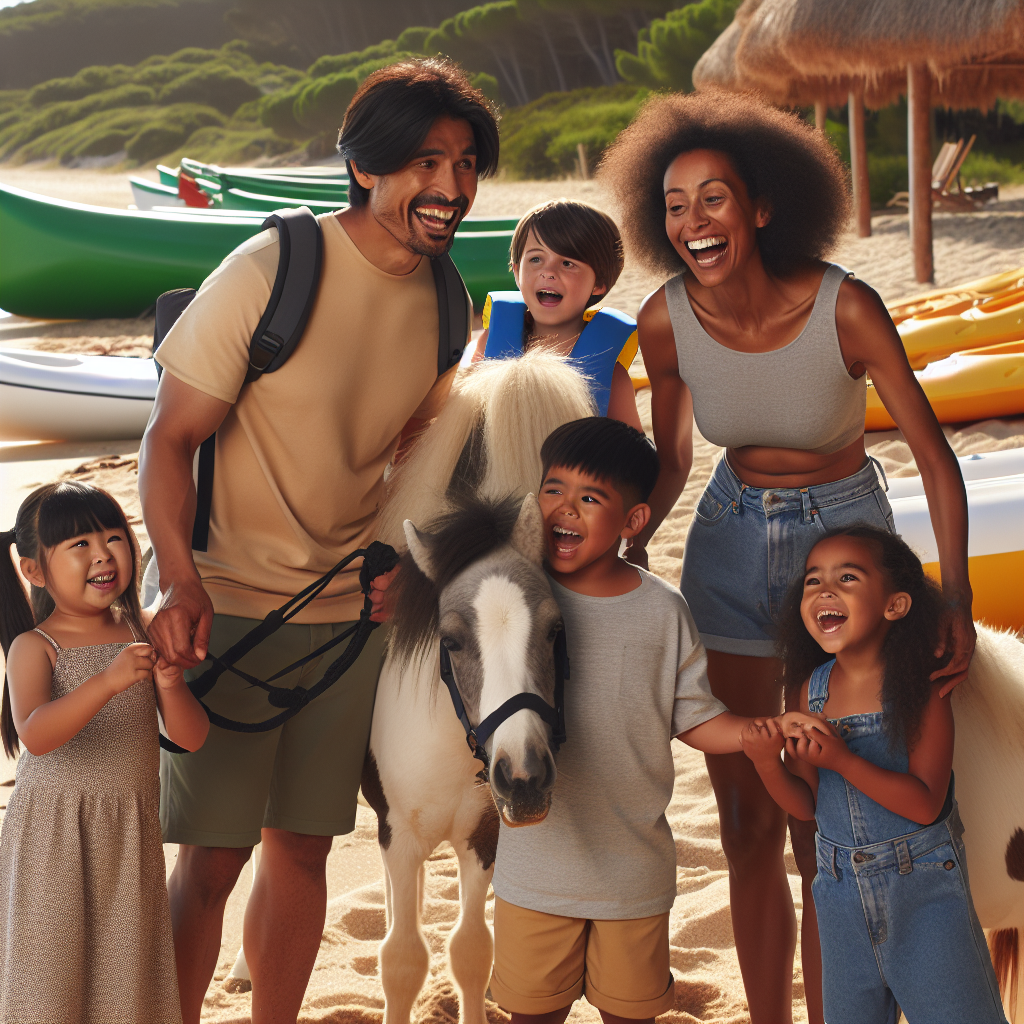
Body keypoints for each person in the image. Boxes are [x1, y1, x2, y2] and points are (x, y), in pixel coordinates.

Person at [599, 90, 975, 1024]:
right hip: (726, 537)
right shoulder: (663, 321)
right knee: (744, 820)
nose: (693, 222)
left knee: (829, 825)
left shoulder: (846, 309)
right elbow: (678, 456)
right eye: (676, 205)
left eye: (714, 198)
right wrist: (627, 535)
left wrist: (954, 598)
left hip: (843, 539)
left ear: (762, 207)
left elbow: (932, 456)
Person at [138, 59, 499, 1023]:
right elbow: (167, 439)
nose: (452, 187)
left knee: (303, 845)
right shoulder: (274, 267)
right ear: (364, 166)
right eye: (427, 161)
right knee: (212, 856)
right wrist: (178, 581)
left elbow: (411, 461)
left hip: (345, 617)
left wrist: (398, 562)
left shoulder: (447, 303)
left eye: (466, 164)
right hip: (222, 603)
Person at [489, 417, 757, 1024]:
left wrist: (752, 733)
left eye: (590, 498)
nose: (565, 509)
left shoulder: (663, 611)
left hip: (633, 873)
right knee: (531, 1014)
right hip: (535, 867)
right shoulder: (517, 595)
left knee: (630, 1016)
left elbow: (694, 718)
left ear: (634, 521)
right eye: (553, 489)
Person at [740, 527, 1007, 1024]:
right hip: (840, 898)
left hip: (925, 896)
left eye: (847, 577)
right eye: (812, 580)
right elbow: (805, 806)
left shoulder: (920, 689)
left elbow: (926, 803)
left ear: (896, 605)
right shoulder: (809, 690)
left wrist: (843, 760)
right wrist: (763, 763)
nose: (824, 590)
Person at [0, 481, 208, 1023]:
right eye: (79, 545)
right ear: (34, 571)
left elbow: (191, 737)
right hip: (54, 841)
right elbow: (37, 734)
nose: (103, 555)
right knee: (50, 983)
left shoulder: (141, 628)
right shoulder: (35, 646)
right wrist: (109, 682)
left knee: (126, 981)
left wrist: (170, 683)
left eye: (113, 537)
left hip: (127, 839)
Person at [471, 199, 642, 429]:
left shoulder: (611, 374)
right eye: (536, 259)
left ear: (598, 283)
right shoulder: (490, 342)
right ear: (517, 270)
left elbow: (631, 450)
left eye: (567, 263)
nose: (548, 272)